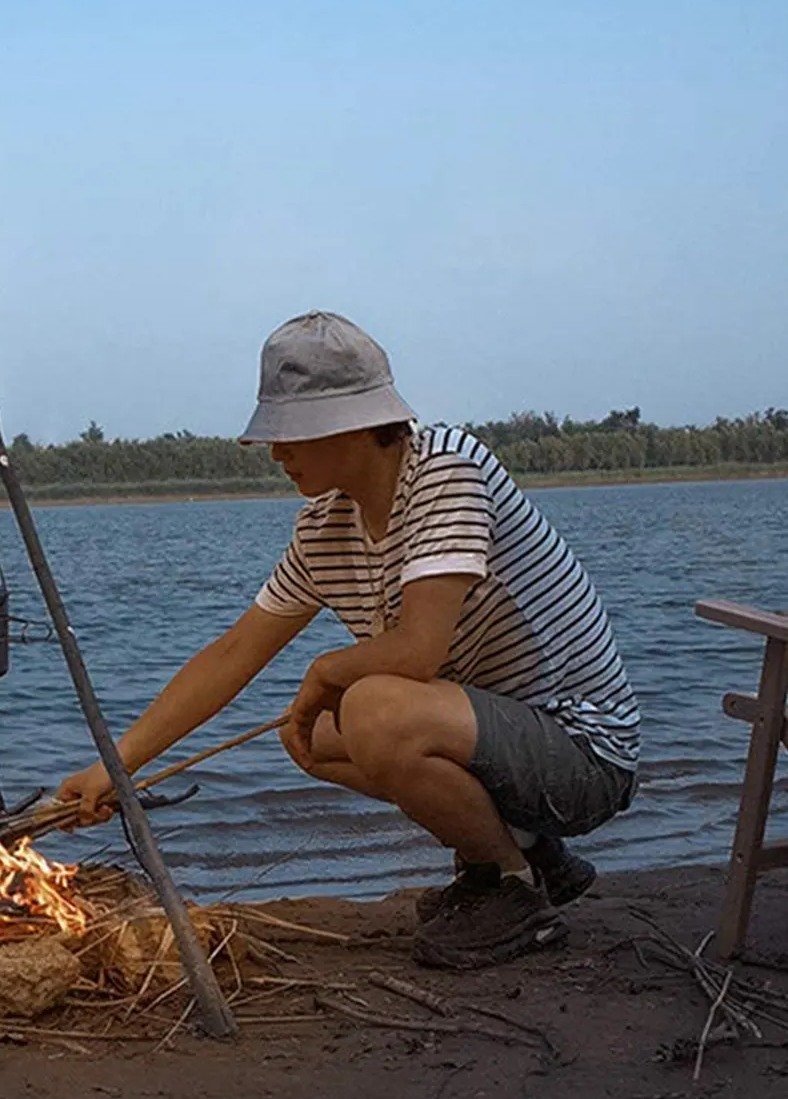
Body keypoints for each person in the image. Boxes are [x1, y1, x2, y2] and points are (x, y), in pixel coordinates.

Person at [57, 310, 639, 970]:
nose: (275, 452)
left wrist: (328, 671)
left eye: (292, 434)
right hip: (499, 738)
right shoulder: (325, 527)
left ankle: (509, 891)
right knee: (308, 734)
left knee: (367, 709)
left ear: (355, 425)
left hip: (585, 752)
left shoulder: (448, 471)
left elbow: (418, 650)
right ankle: (523, 855)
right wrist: (117, 764)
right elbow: (233, 653)